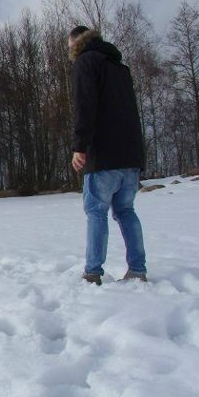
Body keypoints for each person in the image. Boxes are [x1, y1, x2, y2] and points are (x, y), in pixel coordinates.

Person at [69, 25, 148, 284]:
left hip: (103, 156)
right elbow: (132, 114)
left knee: (96, 212)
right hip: (130, 157)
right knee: (126, 210)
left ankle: (93, 272)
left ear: (76, 43)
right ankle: (138, 270)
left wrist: (79, 146)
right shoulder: (120, 68)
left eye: (69, 46)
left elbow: (84, 106)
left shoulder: (85, 62)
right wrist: (138, 158)